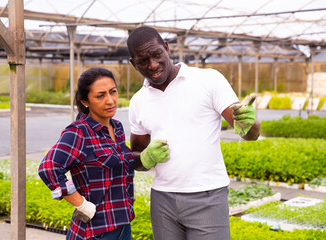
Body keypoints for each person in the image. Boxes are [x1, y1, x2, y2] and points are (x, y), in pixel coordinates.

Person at [126, 26, 260, 240]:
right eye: (143, 60)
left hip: (207, 197)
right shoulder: (138, 101)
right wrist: (145, 157)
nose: (152, 65)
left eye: (157, 54)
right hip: (163, 201)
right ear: (133, 64)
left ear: (167, 48)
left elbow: (250, 134)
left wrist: (249, 123)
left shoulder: (208, 80)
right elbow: (137, 159)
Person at [38, 67, 136, 240]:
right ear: (85, 101)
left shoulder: (117, 127)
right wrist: (81, 204)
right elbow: (49, 168)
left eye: (113, 92)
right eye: (100, 95)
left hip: (123, 226)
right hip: (95, 231)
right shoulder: (79, 132)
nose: (110, 100)